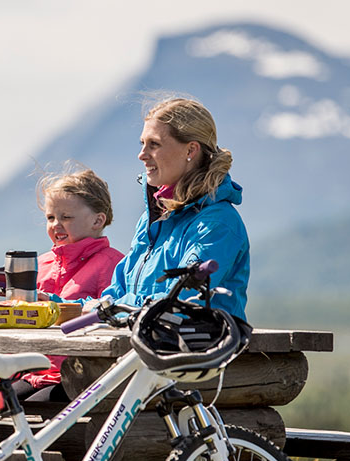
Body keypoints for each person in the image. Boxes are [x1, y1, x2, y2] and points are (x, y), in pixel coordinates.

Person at [100, 97, 249, 321]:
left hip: (201, 352)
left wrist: (110, 308)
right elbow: (116, 293)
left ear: (191, 149)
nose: (141, 154)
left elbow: (178, 302)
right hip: (148, 346)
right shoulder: (152, 218)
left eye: (154, 144)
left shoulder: (217, 224)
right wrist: (58, 305)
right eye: (142, 143)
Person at [14, 167, 124, 402]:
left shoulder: (112, 264)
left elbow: (109, 318)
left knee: (29, 410)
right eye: (51, 218)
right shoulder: (41, 264)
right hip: (35, 370)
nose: (56, 224)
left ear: (98, 220)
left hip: (81, 377)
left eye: (66, 217)